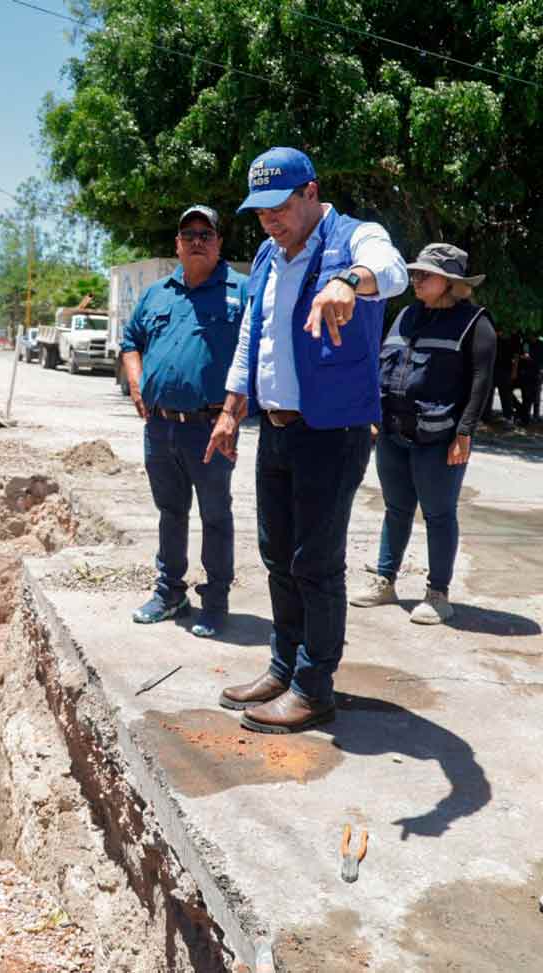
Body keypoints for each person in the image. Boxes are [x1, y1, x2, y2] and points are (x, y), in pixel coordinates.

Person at [206, 147, 408, 734]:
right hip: (275, 428)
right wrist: (230, 406)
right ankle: (283, 666)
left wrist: (350, 281)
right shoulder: (270, 254)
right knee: (277, 556)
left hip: (332, 430)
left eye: (279, 206)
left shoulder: (354, 237)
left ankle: (314, 685)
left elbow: (391, 269)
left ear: (311, 192)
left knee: (315, 563)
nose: (269, 220)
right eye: (260, 211)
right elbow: (255, 336)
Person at [350, 244, 495, 624]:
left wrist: (464, 432)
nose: (415, 279)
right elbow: (383, 363)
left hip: (440, 438)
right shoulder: (407, 316)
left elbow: (481, 382)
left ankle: (438, 594)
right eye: (414, 272)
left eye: (424, 274)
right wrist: (372, 415)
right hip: (393, 431)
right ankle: (385, 581)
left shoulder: (475, 322)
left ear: (449, 282)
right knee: (396, 509)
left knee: (439, 514)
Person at [122, 205, 248, 638]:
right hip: (160, 427)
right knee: (170, 512)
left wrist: (233, 413)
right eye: (188, 233)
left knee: (215, 515)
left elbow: (257, 356)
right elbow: (130, 341)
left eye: (205, 234)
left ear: (218, 243)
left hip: (211, 427)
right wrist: (137, 383)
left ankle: (215, 602)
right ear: (176, 244)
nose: (197, 240)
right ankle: (170, 592)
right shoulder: (158, 293)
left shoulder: (241, 292)